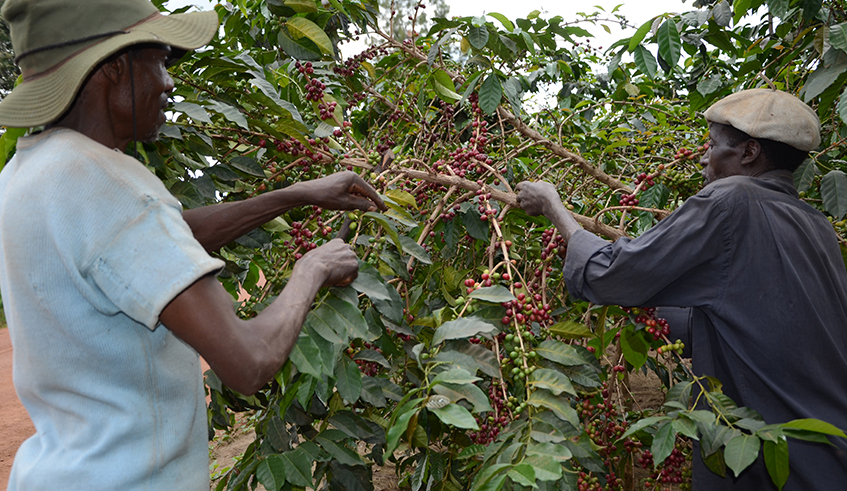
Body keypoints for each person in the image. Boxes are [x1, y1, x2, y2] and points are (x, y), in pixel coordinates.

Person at [0, 0, 386, 489]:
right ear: (115, 68)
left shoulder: (27, 173)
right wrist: (314, 267)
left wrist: (295, 195)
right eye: (159, 60)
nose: (169, 82)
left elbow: (149, 244)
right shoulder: (109, 186)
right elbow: (248, 361)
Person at [516, 88, 847, 489]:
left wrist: (555, 208)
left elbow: (612, 273)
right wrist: (650, 318)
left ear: (749, 153)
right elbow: (763, 317)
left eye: (712, 145)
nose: (703, 157)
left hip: (770, 450)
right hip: (828, 442)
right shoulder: (816, 224)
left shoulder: (730, 199)